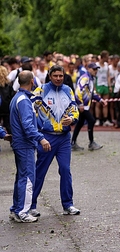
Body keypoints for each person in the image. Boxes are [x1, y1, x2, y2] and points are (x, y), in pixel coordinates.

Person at [30, 65, 81, 217]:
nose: (58, 78)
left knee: (65, 170)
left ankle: (68, 205)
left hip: (64, 138)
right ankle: (31, 205)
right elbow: (30, 110)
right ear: (50, 76)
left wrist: (72, 118)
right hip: (47, 137)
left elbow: (75, 109)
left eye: (61, 76)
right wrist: (37, 130)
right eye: (55, 76)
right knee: (40, 171)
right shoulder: (41, 90)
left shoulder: (68, 90)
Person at [9, 71, 50, 223]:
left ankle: (16, 208)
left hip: (20, 143)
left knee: (21, 177)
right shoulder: (24, 100)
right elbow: (27, 125)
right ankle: (23, 211)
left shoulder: (17, 98)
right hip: (25, 144)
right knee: (27, 178)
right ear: (32, 81)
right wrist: (41, 139)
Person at [71, 63, 107, 151]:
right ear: (89, 69)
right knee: (91, 120)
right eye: (94, 69)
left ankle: (73, 143)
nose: (96, 71)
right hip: (83, 106)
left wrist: (100, 100)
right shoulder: (85, 78)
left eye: (97, 69)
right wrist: (80, 104)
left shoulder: (91, 79)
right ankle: (91, 143)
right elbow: (78, 91)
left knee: (80, 123)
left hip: (85, 105)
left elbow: (91, 93)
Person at [95, 51, 113, 127]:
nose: (108, 58)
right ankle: (97, 119)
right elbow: (94, 76)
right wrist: (94, 87)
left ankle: (105, 119)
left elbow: (108, 76)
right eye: (107, 57)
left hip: (105, 84)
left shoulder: (107, 65)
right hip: (98, 84)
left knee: (105, 103)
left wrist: (109, 86)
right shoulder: (96, 65)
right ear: (103, 57)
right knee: (98, 103)